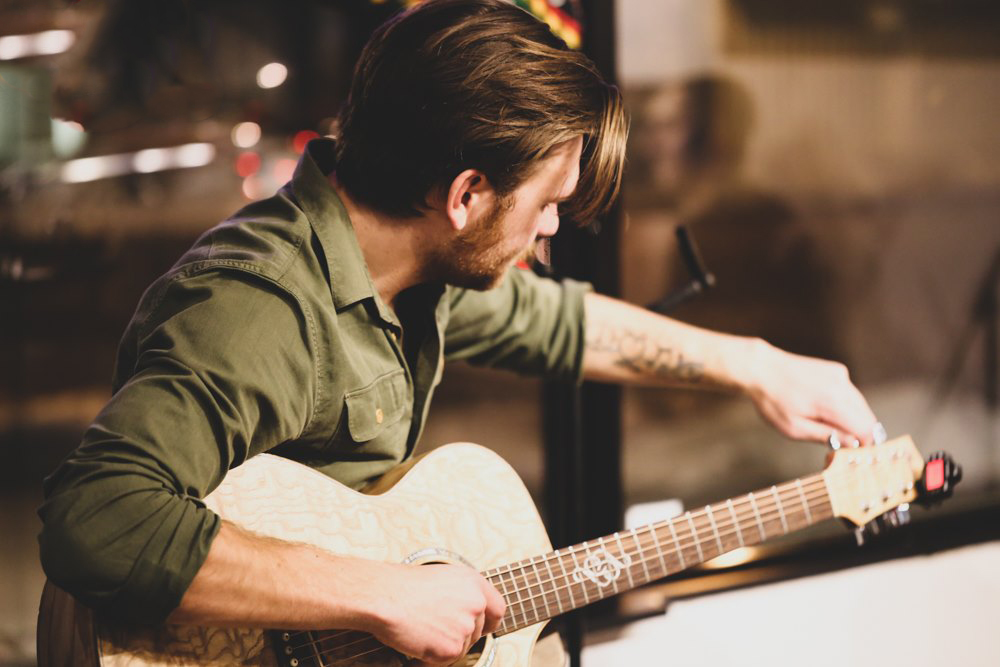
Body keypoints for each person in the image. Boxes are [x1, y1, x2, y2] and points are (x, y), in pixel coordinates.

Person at [38, 1, 878, 665]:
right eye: (545, 203)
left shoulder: (411, 269)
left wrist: (760, 368)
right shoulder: (257, 305)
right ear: (467, 195)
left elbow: (557, 324)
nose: (551, 230)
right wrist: (382, 593)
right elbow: (98, 520)